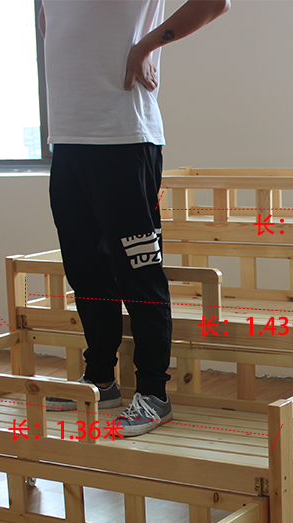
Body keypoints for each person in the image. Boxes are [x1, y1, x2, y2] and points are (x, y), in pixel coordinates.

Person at [40, 0, 230, 436]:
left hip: (125, 136)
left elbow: (215, 2)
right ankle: (100, 379)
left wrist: (146, 45)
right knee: (85, 273)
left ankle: (153, 393)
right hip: (67, 138)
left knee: (138, 273)